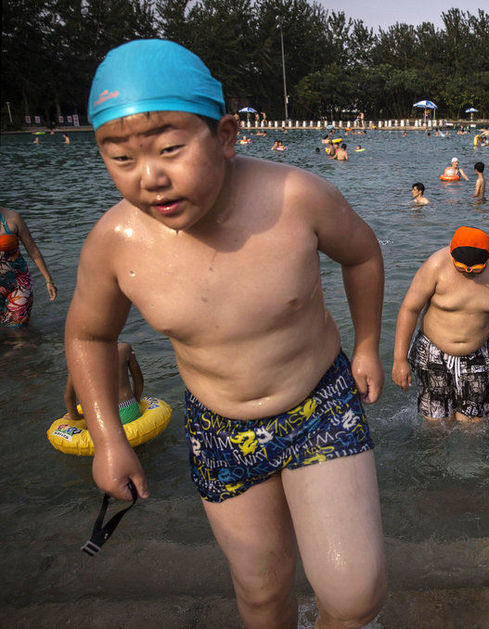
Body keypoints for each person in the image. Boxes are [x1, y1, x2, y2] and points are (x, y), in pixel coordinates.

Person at [65, 40, 386, 627]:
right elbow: (88, 337)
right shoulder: (115, 243)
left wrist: (368, 344)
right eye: (121, 159)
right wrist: (110, 439)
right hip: (218, 425)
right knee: (261, 591)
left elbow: (362, 254)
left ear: (227, 135)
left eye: (170, 149)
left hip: (318, 403)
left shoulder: (296, 198)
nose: (151, 178)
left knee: (355, 593)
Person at [392, 226, 489, 422]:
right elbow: (409, 309)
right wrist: (399, 359)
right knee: (436, 424)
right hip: (433, 352)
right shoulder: (436, 265)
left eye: (475, 270)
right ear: (451, 254)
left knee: (475, 425)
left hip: (477, 353)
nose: (468, 273)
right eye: (461, 268)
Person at [0, 206, 56, 328]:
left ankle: (25, 345)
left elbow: (33, 250)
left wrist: (48, 280)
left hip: (19, 283)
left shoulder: (13, 217)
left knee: (18, 329)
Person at [65, 341, 143, 424]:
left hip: (101, 415)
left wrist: (75, 416)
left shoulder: (79, 359)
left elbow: (69, 396)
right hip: (129, 408)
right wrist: (136, 400)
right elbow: (139, 380)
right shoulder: (124, 349)